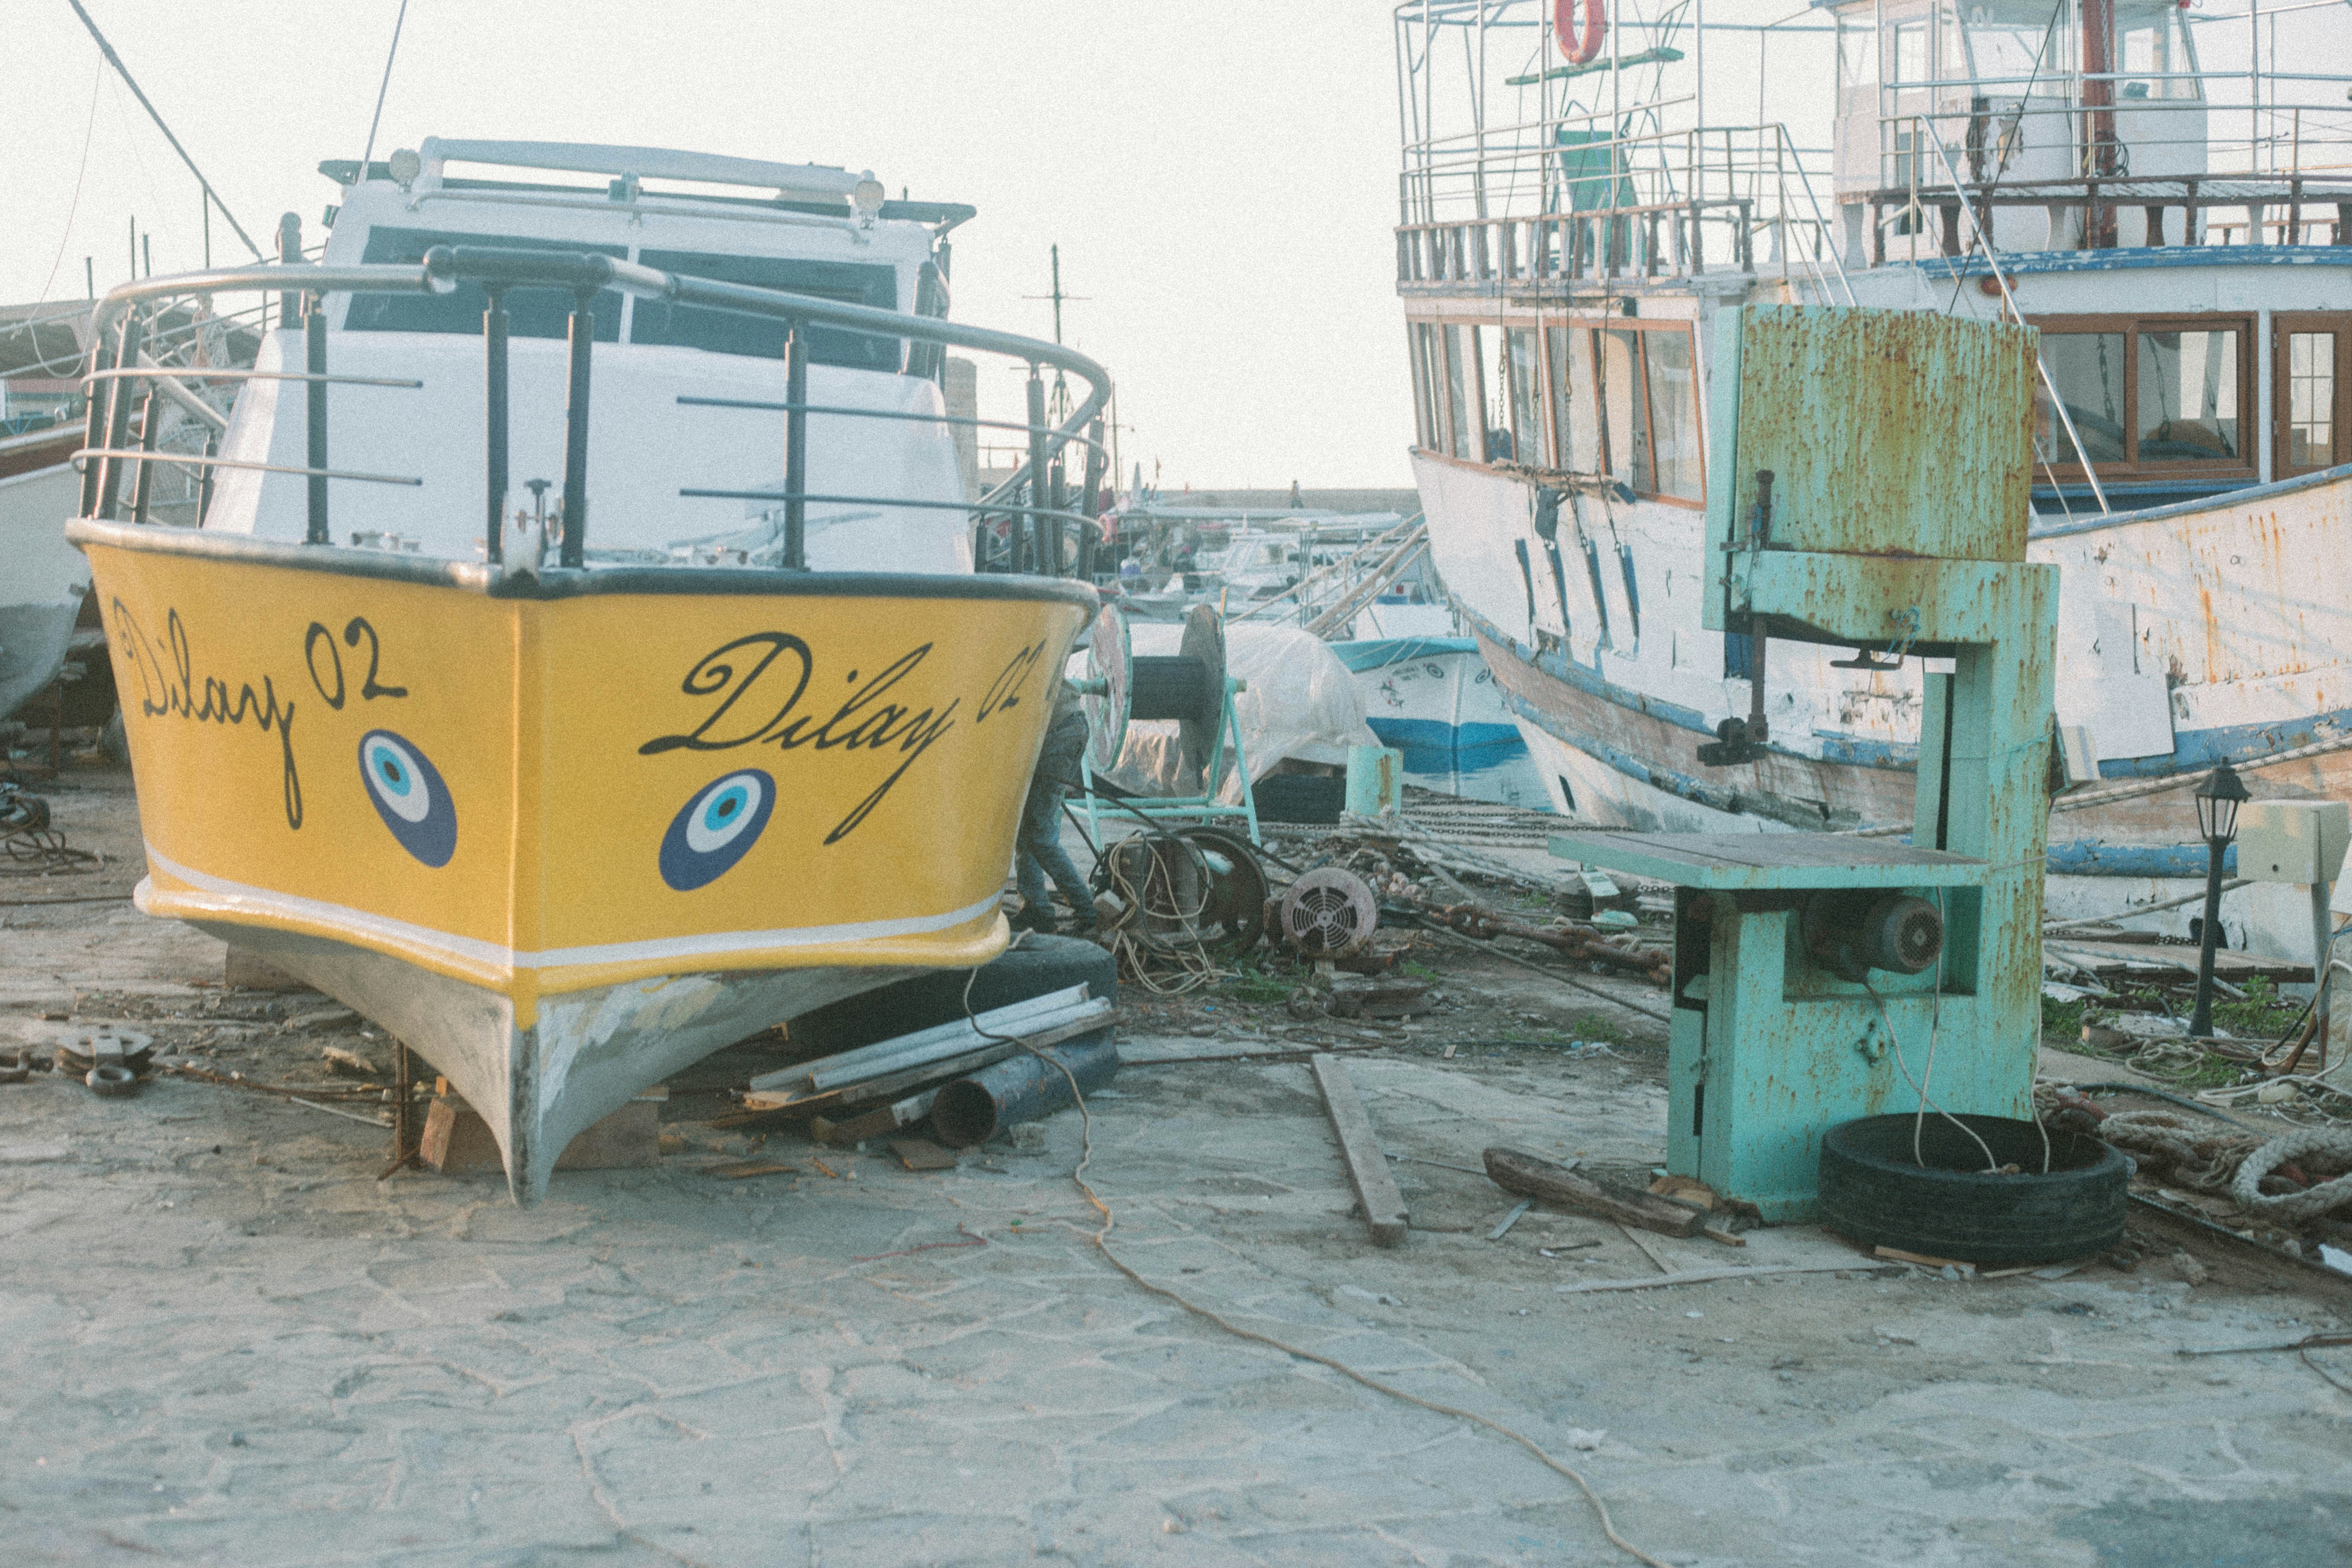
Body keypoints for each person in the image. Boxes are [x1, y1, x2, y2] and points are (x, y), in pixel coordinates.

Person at [1013, 679, 1097, 934]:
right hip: (1069, 725)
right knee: (1030, 828)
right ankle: (1036, 910)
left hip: (1058, 731)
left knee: (1039, 835)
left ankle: (1087, 910)